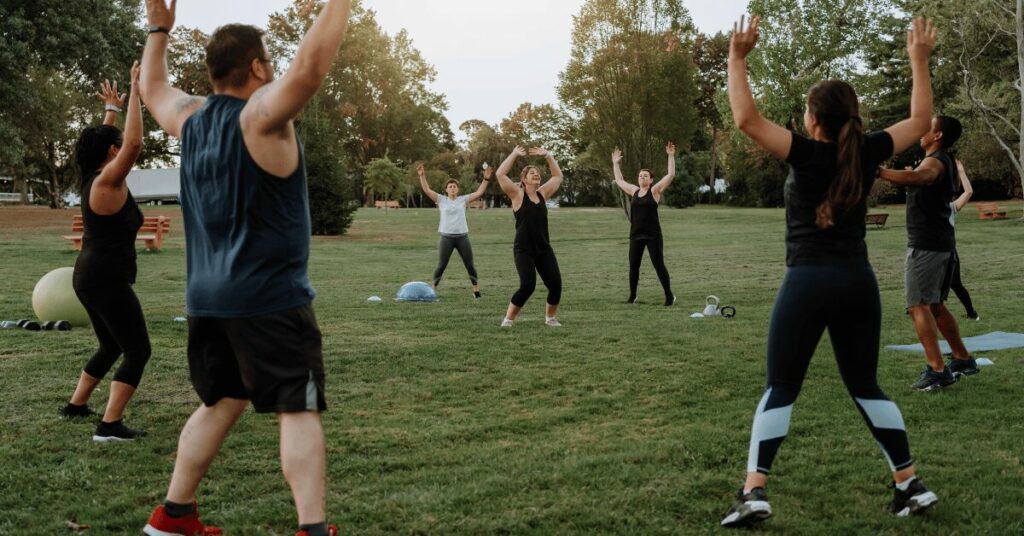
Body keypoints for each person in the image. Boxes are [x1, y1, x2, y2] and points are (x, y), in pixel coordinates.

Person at [138, 1, 350, 535]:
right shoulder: (259, 116)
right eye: (268, 62)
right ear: (256, 67)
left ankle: (173, 516)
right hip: (269, 300)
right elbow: (311, 69)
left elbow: (152, 88)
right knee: (297, 410)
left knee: (221, 400)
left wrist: (158, 30)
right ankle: (314, 529)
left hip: (207, 302)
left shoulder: (190, 121)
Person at [720, 15, 939, 528]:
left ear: (814, 121)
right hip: (858, 284)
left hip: (809, 282)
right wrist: (920, 61)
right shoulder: (868, 151)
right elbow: (919, 119)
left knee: (781, 385)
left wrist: (736, 57)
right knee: (866, 385)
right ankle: (908, 483)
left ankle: (754, 491)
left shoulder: (807, 153)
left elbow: (747, 120)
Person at [62, 63, 151, 443]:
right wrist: (135, 91)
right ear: (112, 153)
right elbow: (132, 144)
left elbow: (109, 142)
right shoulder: (109, 179)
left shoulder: (94, 178)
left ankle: (77, 405)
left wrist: (111, 111)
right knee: (138, 350)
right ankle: (109, 426)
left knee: (111, 344)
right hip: (104, 277)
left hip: (88, 273)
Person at [879, 116, 979, 390]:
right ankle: (962, 358)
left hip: (927, 247)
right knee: (934, 305)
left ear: (937, 136)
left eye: (928, 127)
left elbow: (919, 177)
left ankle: (938, 370)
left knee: (918, 306)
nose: (921, 131)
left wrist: (878, 172)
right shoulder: (939, 160)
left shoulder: (935, 161)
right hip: (941, 244)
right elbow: (917, 176)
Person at [494, 146, 564, 327]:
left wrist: (548, 156)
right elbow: (500, 174)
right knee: (527, 286)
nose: (536, 174)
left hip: (543, 248)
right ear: (524, 179)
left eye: (538, 173)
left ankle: (550, 318)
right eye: (532, 173)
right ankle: (508, 320)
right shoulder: (517, 194)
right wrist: (514, 154)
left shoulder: (542, 194)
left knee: (555, 285)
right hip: (523, 250)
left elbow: (557, 177)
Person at [611, 143, 678, 306]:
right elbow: (619, 180)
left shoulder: (654, 191)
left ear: (651, 179)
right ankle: (632, 296)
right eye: (640, 176)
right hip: (636, 235)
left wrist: (670, 156)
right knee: (633, 266)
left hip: (653, 236)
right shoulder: (633, 191)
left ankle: (669, 296)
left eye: (645, 176)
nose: (642, 178)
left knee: (659, 265)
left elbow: (670, 174)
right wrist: (615, 164)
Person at [418, 162, 490, 298]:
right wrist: (422, 176)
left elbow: (480, 192)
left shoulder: (463, 200)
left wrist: (485, 178)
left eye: (454, 186)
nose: (452, 188)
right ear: (446, 189)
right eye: (450, 187)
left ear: (458, 189)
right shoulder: (441, 199)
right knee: (441, 265)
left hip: (462, 237)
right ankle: (432, 290)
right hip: (446, 237)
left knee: (470, 265)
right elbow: (427, 190)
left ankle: (476, 290)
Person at [948, 160, 979, 320]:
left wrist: (961, 172)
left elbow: (968, 192)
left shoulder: (951, 207)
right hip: (931, 250)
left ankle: (972, 313)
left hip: (949, 252)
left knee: (955, 284)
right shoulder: (927, 206)